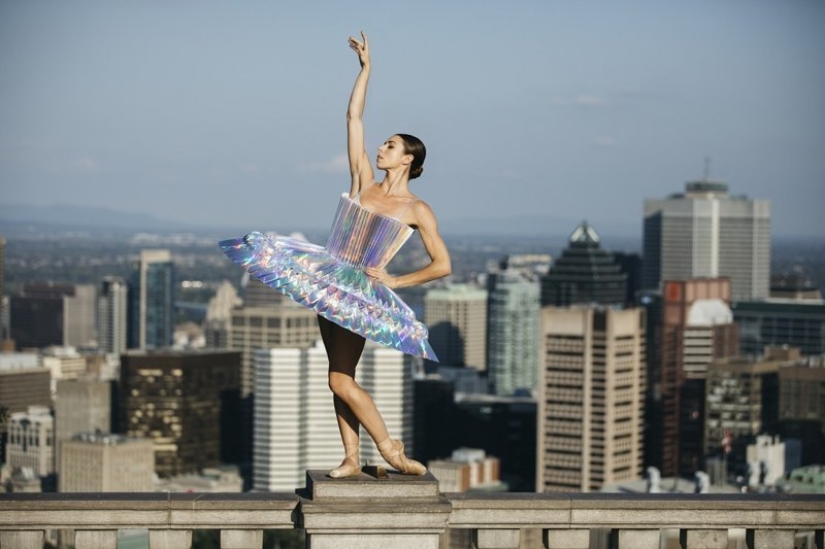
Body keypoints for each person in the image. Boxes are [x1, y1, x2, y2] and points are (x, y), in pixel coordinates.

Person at [219, 31, 451, 479]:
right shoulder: (363, 181)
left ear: (407, 160)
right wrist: (365, 70)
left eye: (390, 145)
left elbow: (443, 265)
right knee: (338, 374)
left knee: (338, 379)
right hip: (328, 281)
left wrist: (395, 281)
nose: (381, 148)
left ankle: (391, 450)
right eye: (383, 143)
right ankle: (349, 456)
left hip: (361, 293)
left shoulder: (416, 208)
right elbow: (352, 117)